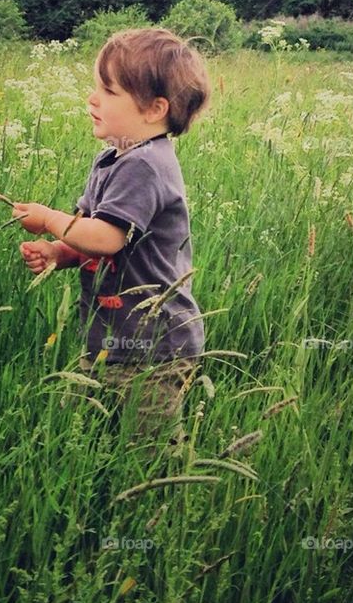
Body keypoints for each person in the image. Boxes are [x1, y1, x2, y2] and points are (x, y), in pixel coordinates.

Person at [12, 28, 211, 460]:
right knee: (88, 438)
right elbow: (95, 235)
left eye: (108, 90)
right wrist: (60, 253)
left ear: (154, 109)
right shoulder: (113, 158)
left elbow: (105, 238)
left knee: (148, 453)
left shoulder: (146, 165)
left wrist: (48, 219)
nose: (92, 99)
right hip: (109, 337)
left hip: (156, 344)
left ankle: (159, 509)